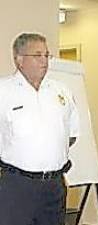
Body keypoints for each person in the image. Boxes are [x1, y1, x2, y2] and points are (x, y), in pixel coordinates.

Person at [0, 33, 79, 225]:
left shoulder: (61, 91)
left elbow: (71, 134)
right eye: (37, 55)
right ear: (19, 60)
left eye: (47, 55)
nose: (44, 61)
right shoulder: (3, 91)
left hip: (54, 185)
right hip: (18, 185)